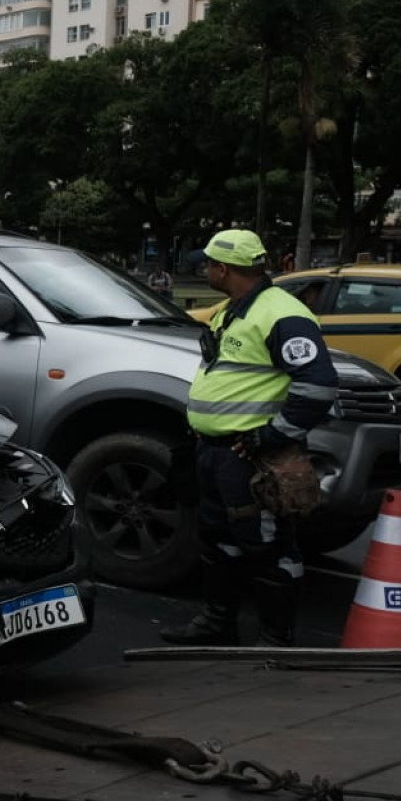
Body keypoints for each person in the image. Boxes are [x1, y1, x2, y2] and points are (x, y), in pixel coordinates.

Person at [162, 229, 338, 647]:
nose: (205, 270)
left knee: (267, 544)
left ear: (223, 268)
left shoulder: (282, 314)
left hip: (250, 457)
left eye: (208, 264)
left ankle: (276, 639)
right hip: (216, 453)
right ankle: (216, 623)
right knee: (218, 536)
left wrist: (273, 436)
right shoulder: (231, 311)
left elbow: (317, 386)